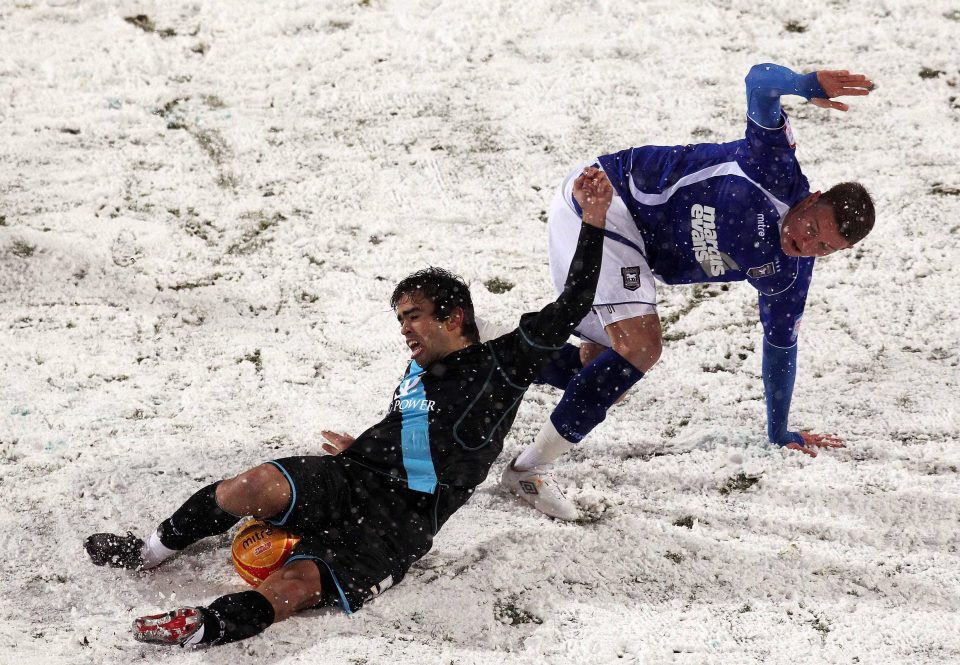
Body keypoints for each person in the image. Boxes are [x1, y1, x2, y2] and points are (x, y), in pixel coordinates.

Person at [83, 169, 613, 647]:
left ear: (454, 317)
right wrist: (364, 446)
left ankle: (204, 626)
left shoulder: (505, 361)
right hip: (353, 477)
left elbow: (573, 302)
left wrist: (593, 221)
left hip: (402, 521)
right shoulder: (417, 372)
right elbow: (420, 427)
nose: (404, 328)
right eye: (400, 318)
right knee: (248, 487)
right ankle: (149, 551)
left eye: (413, 316)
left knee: (295, 586)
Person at [499, 63, 876, 521]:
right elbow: (759, 82)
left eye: (824, 247)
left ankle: (482, 344)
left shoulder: (789, 275)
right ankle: (530, 470)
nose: (807, 243)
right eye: (812, 226)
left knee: (605, 372)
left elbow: (780, 349)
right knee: (641, 347)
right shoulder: (774, 168)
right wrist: (804, 84)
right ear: (812, 197)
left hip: (628, 247)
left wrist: (779, 430)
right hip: (606, 201)